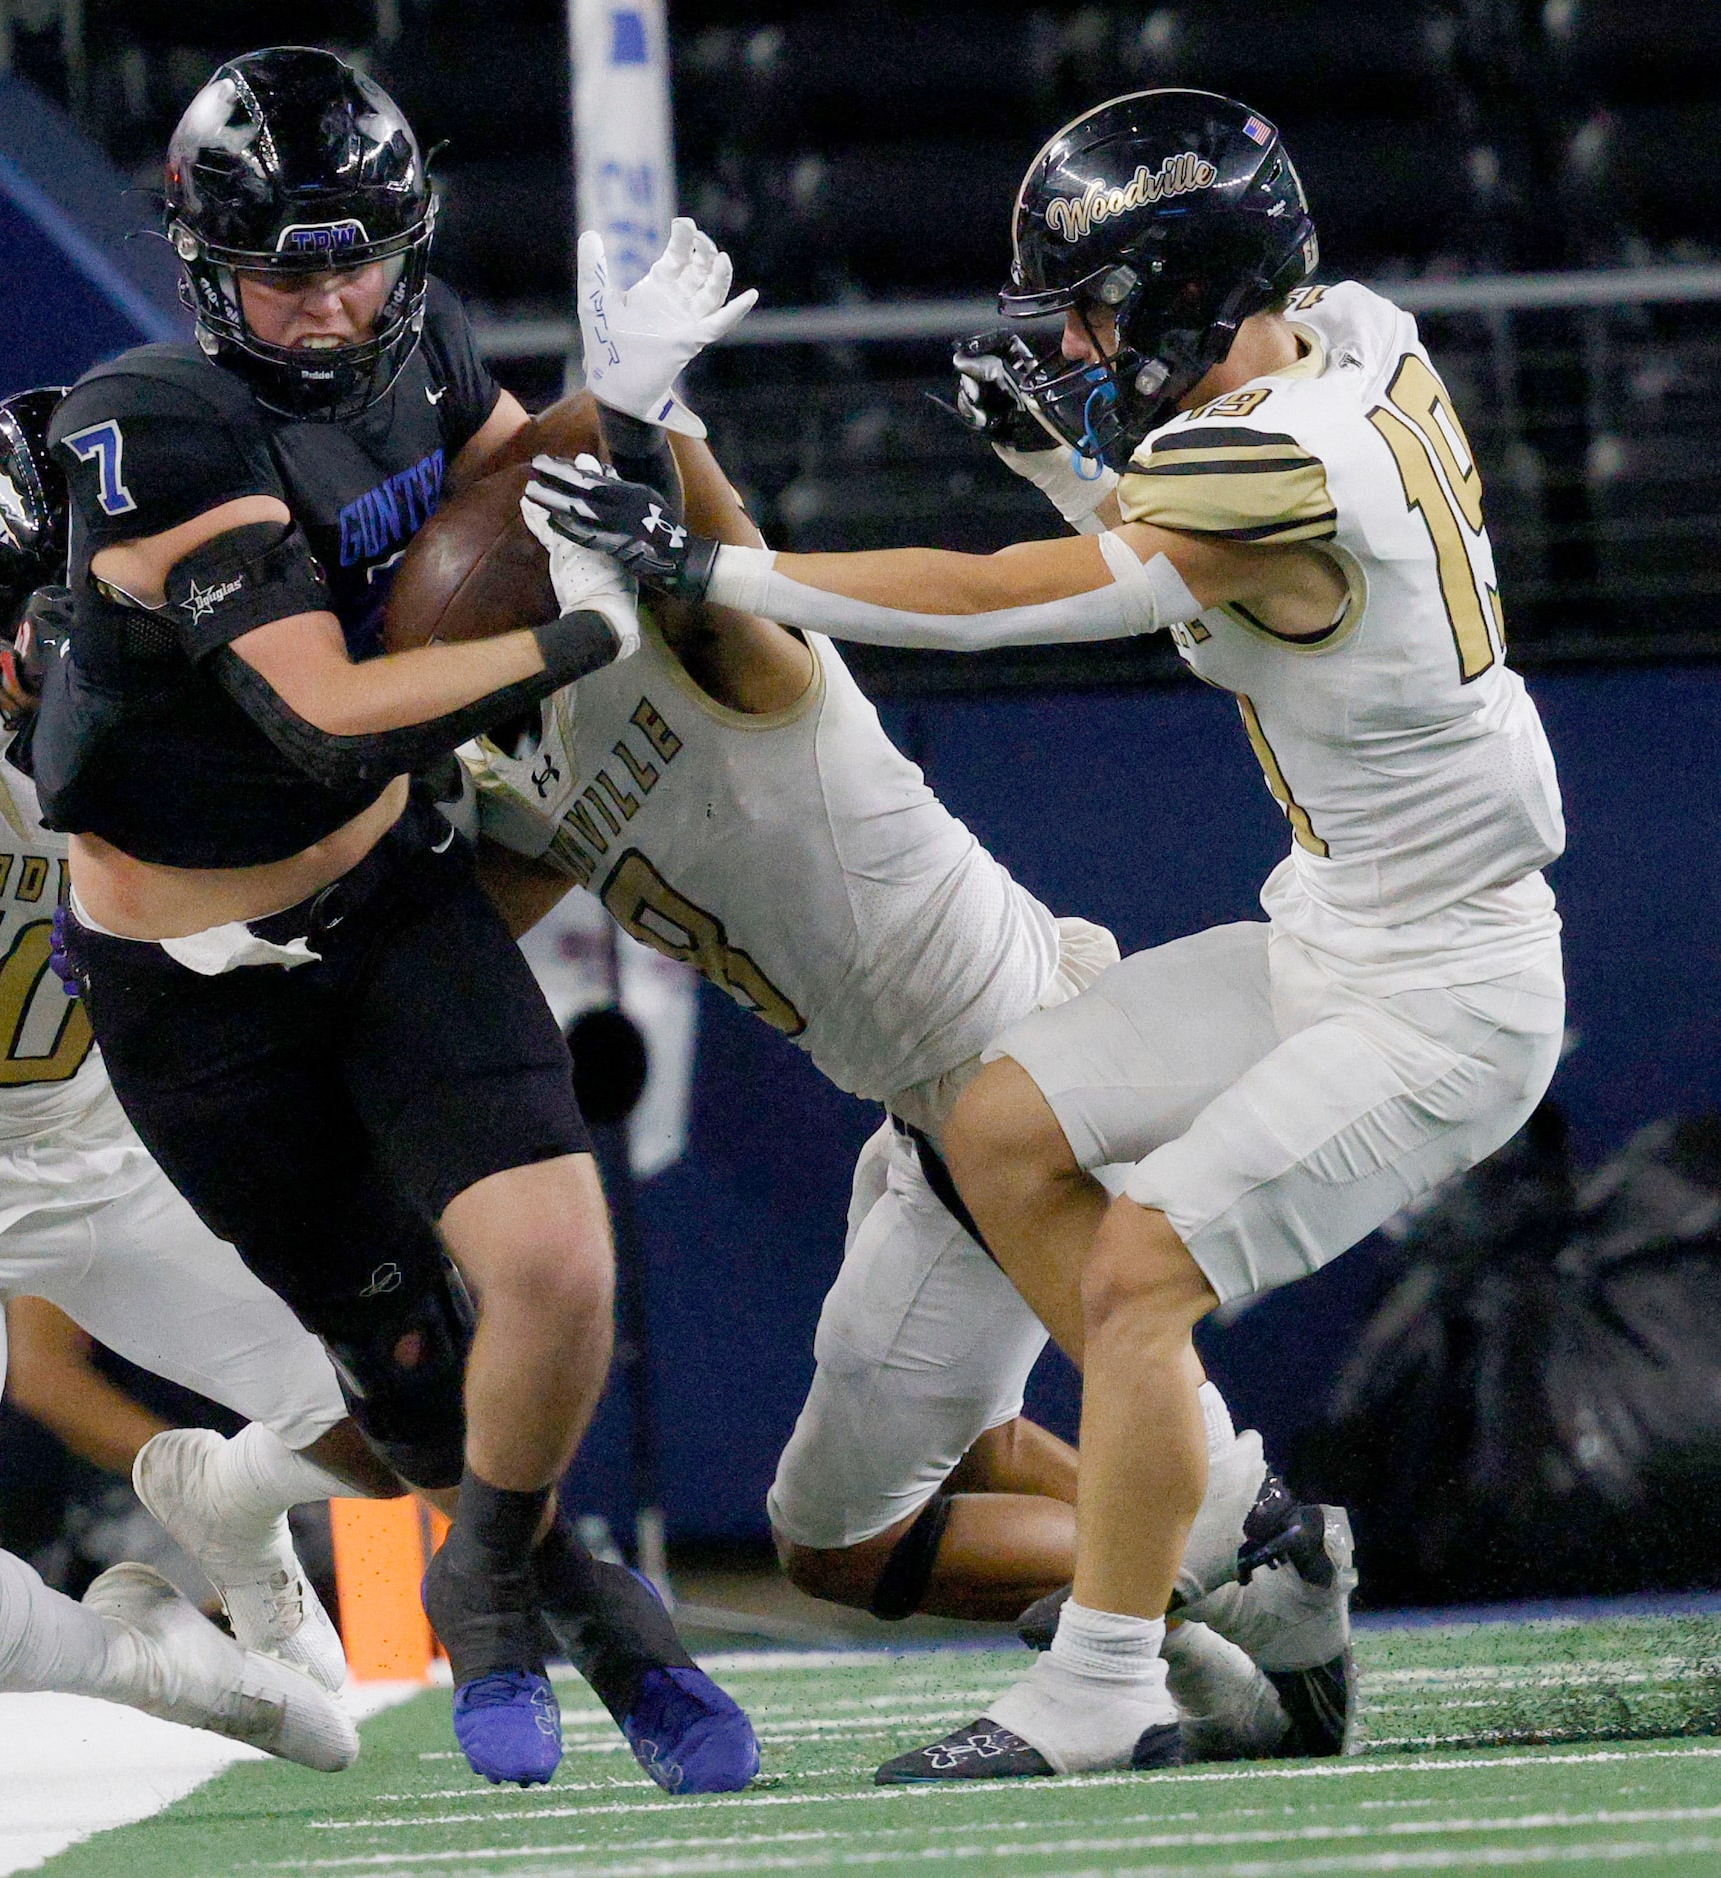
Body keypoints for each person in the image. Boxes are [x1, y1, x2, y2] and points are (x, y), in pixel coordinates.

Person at [529, 87, 1564, 1781]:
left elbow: (1020, 597)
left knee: (1142, 1269)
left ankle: (1098, 1683)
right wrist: (1084, 471)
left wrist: (723, 573)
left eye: (1096, 301)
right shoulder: (1353, 342)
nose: (1079, 337)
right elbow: (1212, 560)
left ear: (1184, 283)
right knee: (1001, 1124)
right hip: (1339, 926)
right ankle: (1271, 1574)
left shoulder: (1275, 452)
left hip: (1443, 995)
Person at [34, 47, 757, 1793]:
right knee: (406, 1364)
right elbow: (317, 711)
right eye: (290, 264)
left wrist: (631, 408)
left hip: (380, 895)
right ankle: (575, 1597)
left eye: (360, 254)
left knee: (559, 1273)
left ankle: (489, 1597)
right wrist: (571, 645)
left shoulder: (414, 340)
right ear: (209, 260)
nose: (333, 295)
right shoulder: (153, 424)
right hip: (194, 991)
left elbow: (512, 498)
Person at [474, 421, 1289, 1764]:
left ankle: (1198, 1572)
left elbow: (681, 467)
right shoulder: (529, 769)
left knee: (839, 1537)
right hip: (952, 1092)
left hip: (1007, 1087)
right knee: (962, 1444)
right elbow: (438, 936)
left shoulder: (732, 651)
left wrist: (610, 408)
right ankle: (1204, 1558)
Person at [0, 390, 401, 1776]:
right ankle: (168, 1669)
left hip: (108, 1145)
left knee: (423, 1415)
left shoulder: (190, 680)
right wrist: (3, 702)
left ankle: (220, 1497)